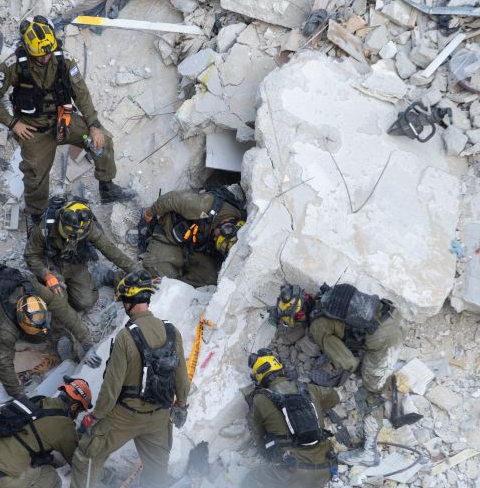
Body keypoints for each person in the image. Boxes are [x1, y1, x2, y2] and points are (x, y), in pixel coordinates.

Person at [0, 15, 133, 227]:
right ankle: (36, 216)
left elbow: (82, 94)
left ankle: (107, 187)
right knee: (35, 175)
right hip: (34, 130)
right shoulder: (15, 65)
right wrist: (13, 123)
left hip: (64, 121)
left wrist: (94, 125)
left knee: (102, 141)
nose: (46, 58)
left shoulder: (64, 59)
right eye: (41, 55)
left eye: (48, 52)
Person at [70, 271, 189, 488]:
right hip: (160, 417)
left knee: (87, 456)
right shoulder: (172, 331)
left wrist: (97, 416)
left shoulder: (126, 336)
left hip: (126, 415)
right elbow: (181, 377)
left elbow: (112, 385)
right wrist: (181, 404)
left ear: (129, 302)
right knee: (156, 470)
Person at [275, 283, 404, 467]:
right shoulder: (327, 297)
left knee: (369, 394)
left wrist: (335, 373)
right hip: (393, 316)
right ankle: (367, 432)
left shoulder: (317, 326)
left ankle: (369, 452)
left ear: (300, 314)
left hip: (384, 339)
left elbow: (349, 363)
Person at [0, 262, 101, 399]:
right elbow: (3, 362)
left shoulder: (35, 290)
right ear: (20, 322)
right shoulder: (6, 327)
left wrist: (87, 345)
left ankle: (44, 335)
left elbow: (65, 312)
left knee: (43, 333)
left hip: (4, 294)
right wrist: (19, 395)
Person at [0, 377, 92, 488]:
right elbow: (77, 462)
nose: (77, 415)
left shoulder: (38, 401)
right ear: (74, 407)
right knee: (51, 478)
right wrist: (82, 432)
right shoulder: (65, 426)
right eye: (80, 411)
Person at [244, 349, 338, 488]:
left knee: (252, 478)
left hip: (294, 472)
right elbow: (334, 398)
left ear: (260, 378)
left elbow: (258, 436)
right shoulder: (308, 389)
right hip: (327, 469)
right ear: (282, 370)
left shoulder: (260, 400)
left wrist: (268, 453)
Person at [24, 198, 139, 312]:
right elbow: (30, 255)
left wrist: (137, 271)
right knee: (58, 304)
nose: (72, 238)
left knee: (86, 302)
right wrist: (46, 275)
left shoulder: (87, 227)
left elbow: (110, 249)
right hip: (51, 265)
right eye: (69, 233)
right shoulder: (46, 227)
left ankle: (105, 276)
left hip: (74, 264)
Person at [140, 188, 246, 287]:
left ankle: (177, 287)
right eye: (217, 236)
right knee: (159, 274)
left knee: (210, 278)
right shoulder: (203, 207)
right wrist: (149, 213)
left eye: (216, 241)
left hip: (197, 247)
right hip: (171, 233)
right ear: (226, 225)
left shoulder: (236, 226)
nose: (214, 238)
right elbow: (173, 198)